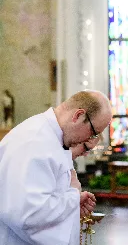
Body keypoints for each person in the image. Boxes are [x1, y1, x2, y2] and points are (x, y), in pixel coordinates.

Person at [0, 90, 112, 245]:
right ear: (78, 116)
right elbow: (29, 215)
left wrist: (74, 208)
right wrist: (73, 199)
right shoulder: (35, 141)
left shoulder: (53, 139)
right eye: (93, 133)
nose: (90, 140)